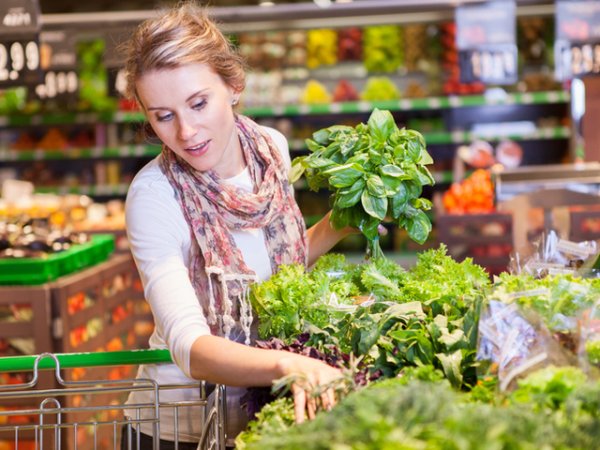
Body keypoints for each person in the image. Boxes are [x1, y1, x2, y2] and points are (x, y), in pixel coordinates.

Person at [119, 2, 355, 448]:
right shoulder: (154, 196)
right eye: (163, 115)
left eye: (198, 102)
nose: (186, 132)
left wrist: (340, 223)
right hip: (178, 428)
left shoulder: (271, 149)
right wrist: (288, 364)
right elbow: (189, 346)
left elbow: (273, 274)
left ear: (234, 85)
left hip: (260, 416)